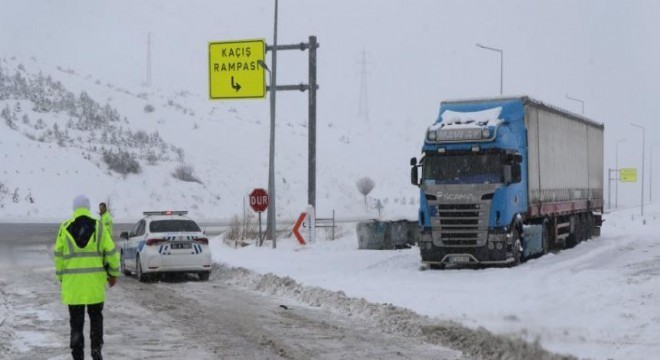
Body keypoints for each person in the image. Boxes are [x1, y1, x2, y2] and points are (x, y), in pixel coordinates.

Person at [53, 195, 120, 360]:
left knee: (76, 325)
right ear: (89, 207)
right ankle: (96, 351)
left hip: (73, 287)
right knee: (96, 319)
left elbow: (58, 256)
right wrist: (113, 273)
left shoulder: (65, 227)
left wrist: (62, 277)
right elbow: (111, 252)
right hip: (94, 287)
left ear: (74, 208)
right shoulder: (98, 227)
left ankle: (77, 355)